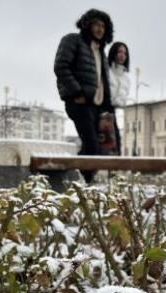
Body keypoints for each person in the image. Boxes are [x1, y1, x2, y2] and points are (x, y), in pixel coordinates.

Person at [54, 9, 114, 183]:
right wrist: (76, 92)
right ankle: (85, 182)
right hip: (79, 102)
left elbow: (103, 80)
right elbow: (61, 67)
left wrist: (107, 105)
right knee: (92, 145)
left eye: (103, 26)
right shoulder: (73, 40)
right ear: (87, 24)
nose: (99, 29)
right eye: (96, 24)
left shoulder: (101, 51)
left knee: (98, 147)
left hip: (97, 106)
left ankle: (81, 178)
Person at [107, 42, 131, 156]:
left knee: (116, 147)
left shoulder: (126, 78)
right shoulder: (105, 71)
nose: (122, 55)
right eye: (119, 52)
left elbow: (121, 101)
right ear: (113, 53)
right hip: (98, 109)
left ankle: (113, 174)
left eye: (125, 53)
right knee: (99, 146)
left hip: (112, 112)